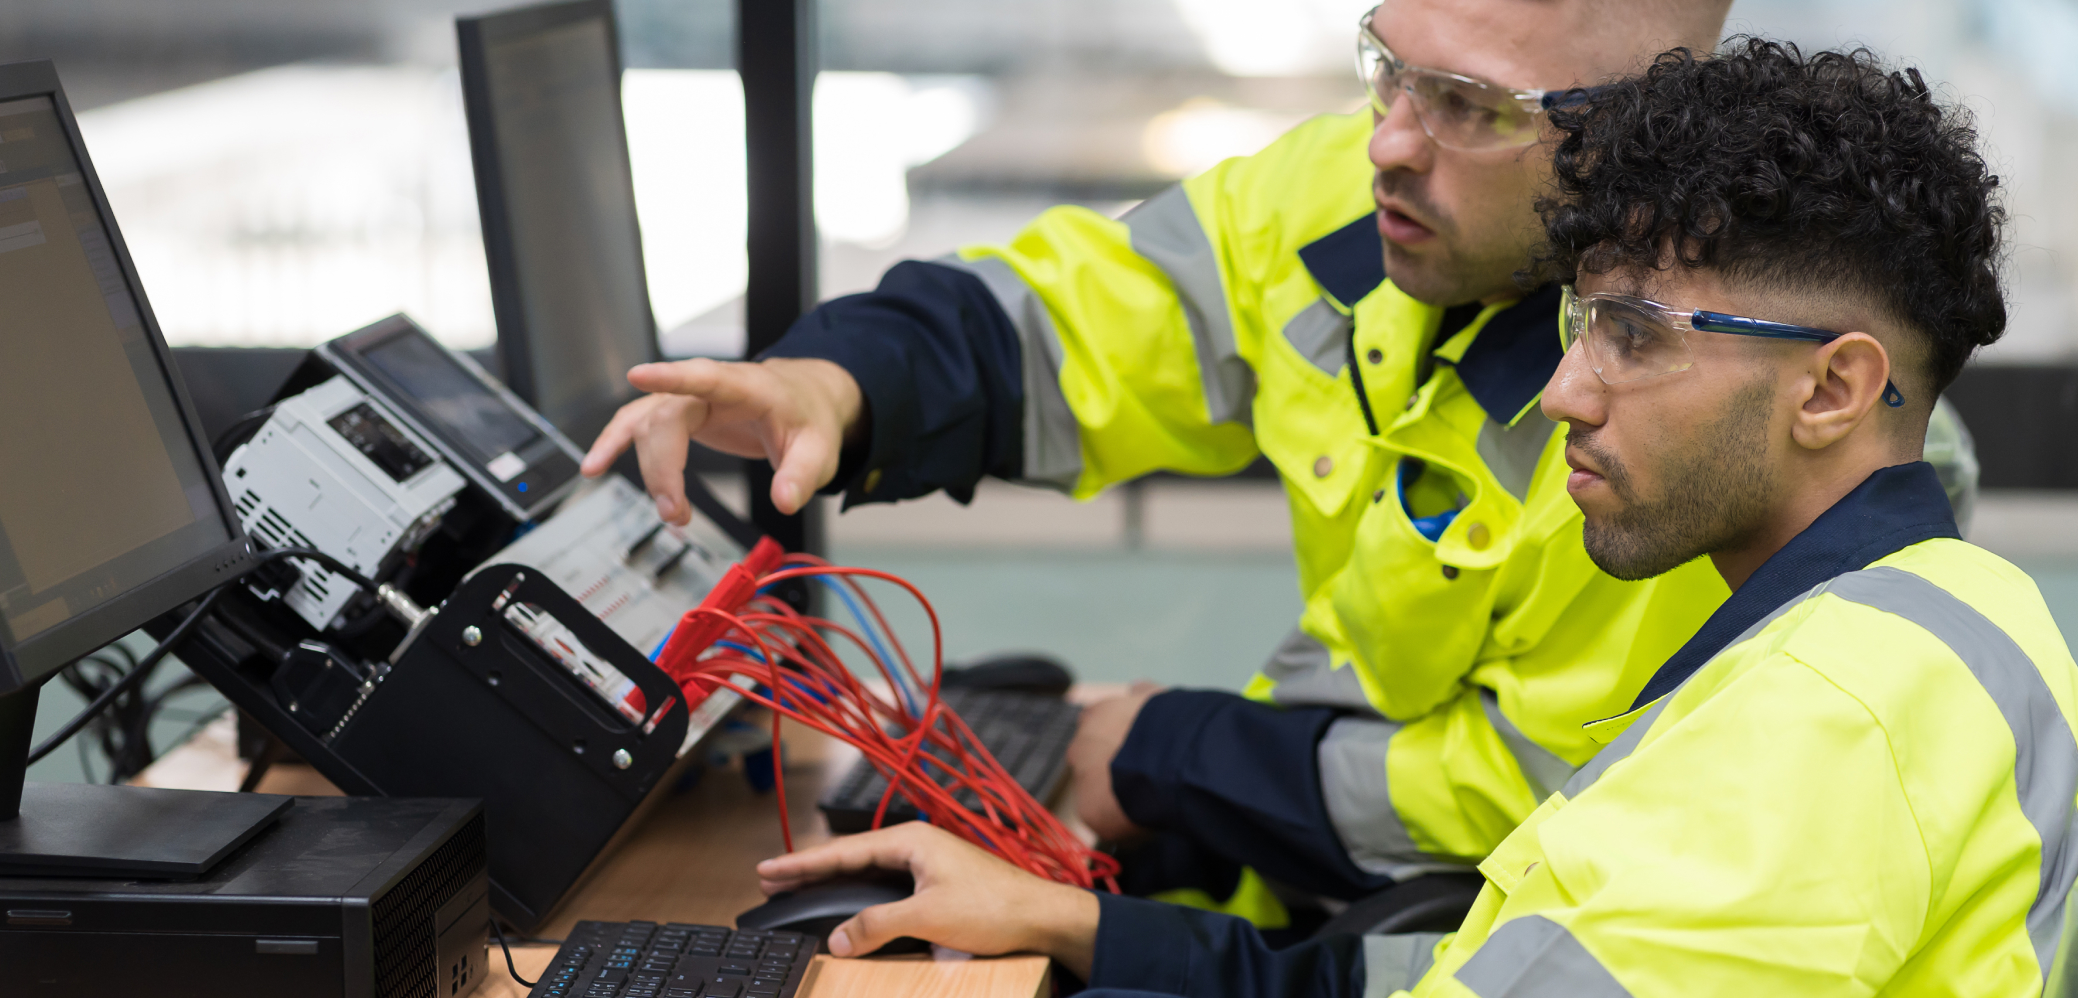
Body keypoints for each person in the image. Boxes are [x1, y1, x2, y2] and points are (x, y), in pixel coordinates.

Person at [575, 39, 2078, 998]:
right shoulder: (1889, 633)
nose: (1568, 392)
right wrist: (1086, 942)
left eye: (1635, 336)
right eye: (1581, 324)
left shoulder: (1824, 723)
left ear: (1836, 389)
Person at [580, 0, 1779, 917]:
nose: (1390, 145)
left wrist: (1172, 760)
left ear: (1634, 136)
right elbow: (1091, 322)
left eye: (1469, 105)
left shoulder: (1694, 431)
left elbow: (1527, 805)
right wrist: (838, 382)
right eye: (1388, 66)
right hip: (1315, 869)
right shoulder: (1348, 199)